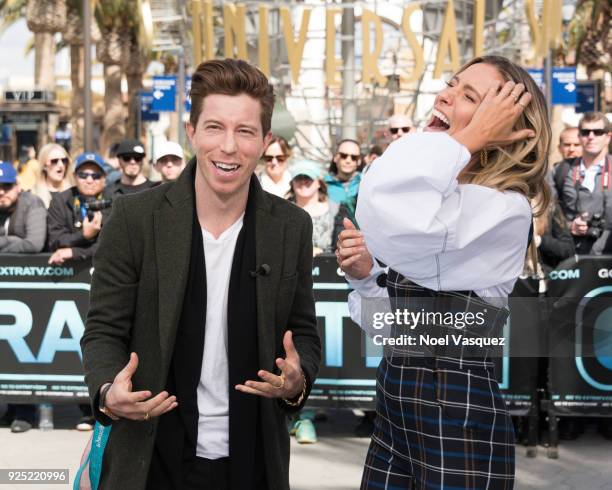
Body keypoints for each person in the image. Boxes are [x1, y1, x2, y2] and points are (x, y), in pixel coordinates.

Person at [81, 58, 321, 490]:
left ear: (266, 140)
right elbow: (102, 330)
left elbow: (302, 331)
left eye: (245, 131)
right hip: (152, 459)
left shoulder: (291, 227)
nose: (228, 146)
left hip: (254, 463)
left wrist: (296, 380)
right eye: (214, 127)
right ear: (191, 133)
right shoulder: (135, 218)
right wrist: (107, 394)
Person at [336, 55, 550, 489]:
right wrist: (364, 274)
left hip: (458, 421)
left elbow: (398, 213)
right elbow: (397, 331)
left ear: (505, 125)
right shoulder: (434, 189)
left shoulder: (505, 209)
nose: (445, 95)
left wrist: (466, 138)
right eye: (451, 84)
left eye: (469, 96)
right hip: (395, 413)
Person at [556, 113, 611, 255]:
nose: (591, 137)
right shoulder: (560, 170)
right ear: (580, 136)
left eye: (598, 132)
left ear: (608, 137)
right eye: (586, 132)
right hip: (573, 257)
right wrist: (570, 225)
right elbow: (548, 215)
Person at [47, 152, 112, 266]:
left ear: (104, 178)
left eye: (96, 176)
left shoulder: (115, 201)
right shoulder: (60, 201)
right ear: (74, 176)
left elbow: (114, 245)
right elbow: (55, 240)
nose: (89, 180)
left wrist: (75, 252)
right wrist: (83, 236)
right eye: (83, 175)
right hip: (70, 274)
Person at [287, 159, 338, 256]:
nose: (303, 181)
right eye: (298, 178)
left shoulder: (335, 210)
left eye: (308, 177)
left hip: (327, 267)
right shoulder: (283, 210)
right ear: (292, 183)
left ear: (319, 182)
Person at [0, 161, 46, 253]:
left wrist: (4, 246)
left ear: (18, 186)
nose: (1, 192)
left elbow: (34, 244)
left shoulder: (32, 203)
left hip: (32, 265)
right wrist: (15, 240)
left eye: (7, 186)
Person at [324, 139, 362, 222]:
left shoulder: (366, 183)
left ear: (359, 161)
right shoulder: (322, 185)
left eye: (354, 157)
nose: (348, 160)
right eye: (343, 156)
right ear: (335, 158)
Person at [31, 143, 73, 208]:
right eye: (54, 161)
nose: (61, 165)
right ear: (44, 166)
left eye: (64, 160)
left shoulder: (74, 194)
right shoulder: (33, 195)